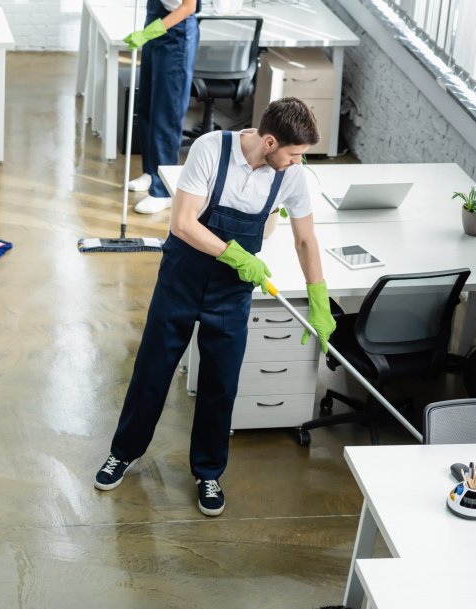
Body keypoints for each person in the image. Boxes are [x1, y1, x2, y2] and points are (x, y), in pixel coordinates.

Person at [94, 98, 336, 517]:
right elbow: (183, 223)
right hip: (182, 279)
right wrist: (239, 256)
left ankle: (208, 472)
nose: (298, 163)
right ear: (270, 142)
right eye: (294, 154)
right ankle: (123, 452)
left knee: (220, 386)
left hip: (231, 293)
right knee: (153, 371)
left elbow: (305, 239)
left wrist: (319, 299)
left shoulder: (292, 175)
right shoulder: (211, 149)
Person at [124, 0, 199, 215]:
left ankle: (164, 191)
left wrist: (148, 33)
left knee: (166, 115)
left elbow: (187, 7)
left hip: (176, 34)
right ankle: (152, 172)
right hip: (156, 25)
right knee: (146, 107)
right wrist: (149, 32)